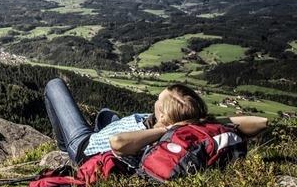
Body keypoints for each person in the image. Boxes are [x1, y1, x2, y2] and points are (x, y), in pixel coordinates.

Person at [44, 77, 268, 166]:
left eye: (158, 101)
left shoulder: (157, 133)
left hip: (84, 146)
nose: (155, 101)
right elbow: (262, 122)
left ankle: (65, 148)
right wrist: (200, 121)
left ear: (162, 116)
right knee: (105, 113)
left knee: (54, 85)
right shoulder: (185, 125)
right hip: (119, 128)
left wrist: (165, 129)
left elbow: (117, 142)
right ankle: (91, 128)